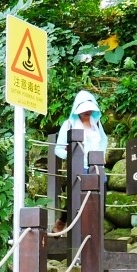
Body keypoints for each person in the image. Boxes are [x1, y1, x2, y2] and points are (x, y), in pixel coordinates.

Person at [53, 91, 108, 232]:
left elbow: (104, 140)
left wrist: (101, 154)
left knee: (101, 200)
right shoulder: (69, 124)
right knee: (76, 200)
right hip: (78, 168)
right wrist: (73, 156)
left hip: (96, 167)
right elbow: (58, 149)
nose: (87, 111)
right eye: (83, 109)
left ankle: (94, 233)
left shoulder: (96, 123)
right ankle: (65, 226)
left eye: (89, 109)